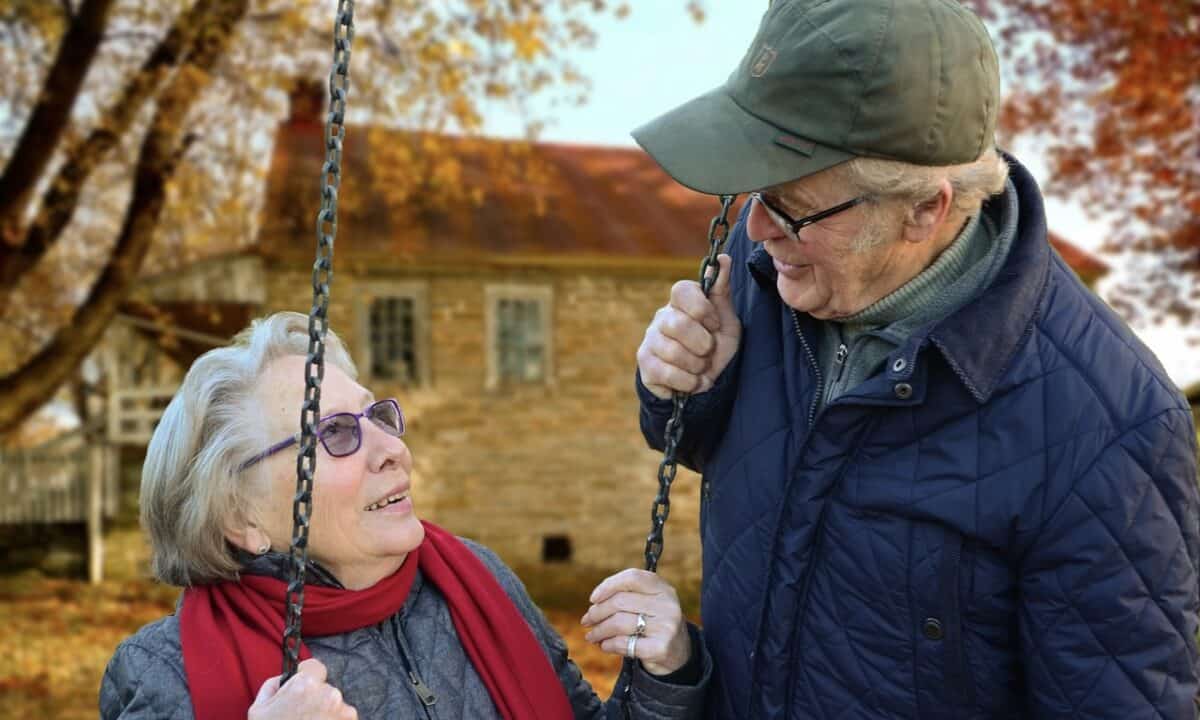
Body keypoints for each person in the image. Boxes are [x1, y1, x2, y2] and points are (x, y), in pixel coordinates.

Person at [632, 1, 1200, 718]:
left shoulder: (1111, 428)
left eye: (791, 205)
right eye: (753, 192)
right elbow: (718, 453)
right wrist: (681, 388)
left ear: (924, 211)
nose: (757, 227)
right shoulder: (768, 267)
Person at [101, 311, 710, 719]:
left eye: (378, 416)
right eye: (335, 434)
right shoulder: (162, 674)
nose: (392, 450)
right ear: (241, 518)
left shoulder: (476, 579)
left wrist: (665, 673)